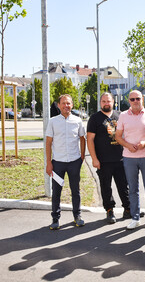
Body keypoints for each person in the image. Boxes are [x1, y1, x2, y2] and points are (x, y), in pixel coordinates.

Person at [115, 90, 145, 230]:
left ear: (142, 99)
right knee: (132, 189)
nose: (135, 101)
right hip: (129, 157)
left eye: (137, 98)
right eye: (132, 99)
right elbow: (118, 136)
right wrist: (127, 145)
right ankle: (135, 218)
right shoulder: (123, 115)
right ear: (129, 101)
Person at [87, 92, 130, 224]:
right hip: (103, 160)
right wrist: (94, 158)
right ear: (100, 103)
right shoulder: (94, 119)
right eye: (104, 101)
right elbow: (90, 140)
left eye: (108, 101)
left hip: (121, 158)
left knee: (124, 186)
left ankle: (128, 209)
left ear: (113, 102)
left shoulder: (120, 115)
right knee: (106, 187)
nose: (106, 103)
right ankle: (109, 210)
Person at [45, 94, 86, 230]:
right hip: (58, 163)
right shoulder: (53, 121)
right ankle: (55, 219)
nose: (66, 106)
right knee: (56, 191)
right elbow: (48, 143)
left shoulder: (77, 121)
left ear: (72, 105)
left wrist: (82, 156)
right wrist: (49, 163)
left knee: (76, 190)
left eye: (68, 103)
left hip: (74, 161)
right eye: (63, 103)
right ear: (58, 105)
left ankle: (77, 216)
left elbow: (82, 138)